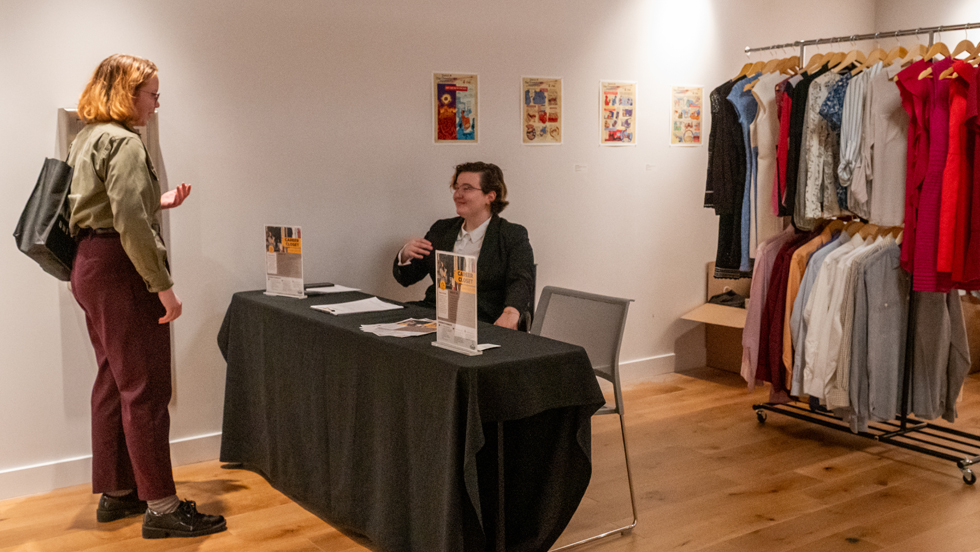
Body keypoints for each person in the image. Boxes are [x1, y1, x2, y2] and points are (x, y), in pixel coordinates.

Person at [67, 54, 226, 539]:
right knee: (146, 389)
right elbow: (131, 225)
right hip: (121, 270)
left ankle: (117, 492)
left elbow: (102, 206)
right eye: (152, 94)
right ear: (128, 93)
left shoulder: (87, 137)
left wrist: (158, 201)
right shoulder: (125, 143)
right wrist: (165, 290)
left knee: (113, 381)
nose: (157, 104)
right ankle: (161, 506)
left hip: (90, 266)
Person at [393, 162, 535, 329]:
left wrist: (511, 312)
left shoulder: (512, 235)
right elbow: (408, 278)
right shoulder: (441, 229)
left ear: (490, 196)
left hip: (481, 320)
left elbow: (521, 280)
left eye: (467, 188)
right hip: (433, 313)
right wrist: (405, 255)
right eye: (457, 188)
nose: (458, 194)